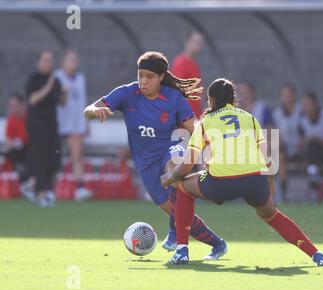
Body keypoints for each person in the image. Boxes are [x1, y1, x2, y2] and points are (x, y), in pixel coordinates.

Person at [161, 78, 323, 267]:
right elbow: (267, 157)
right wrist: (271, 190)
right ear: (233, 99)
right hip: (255, 182)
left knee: (184, 187)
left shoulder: (205, 122)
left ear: (211, 100)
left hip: (220, 183)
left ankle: (181, 251)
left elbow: (187, 165)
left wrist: (170, 176)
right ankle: (317, 255)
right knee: (273, 216)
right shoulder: (249, 117)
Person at [84, 51, 226, 259]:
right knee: (177, 213)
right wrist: (95, 111)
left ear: (161, 77)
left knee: (175, 174)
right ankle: (217, 244)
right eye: (140, 75)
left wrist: (211, 147)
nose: (143, 81)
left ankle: (177, 238)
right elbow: (88, 109)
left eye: (149, 77)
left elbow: (193, 127)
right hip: (145, 163)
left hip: (171, 146)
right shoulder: (127, 93)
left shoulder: (173, 98)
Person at [25, 50, 62, 207]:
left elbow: (61, 102)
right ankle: (40, 193)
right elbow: (32, 100)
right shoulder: (34, 79)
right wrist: (48, 86)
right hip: (37, 125)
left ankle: (31, 185)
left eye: (50, 60)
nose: (48, 63)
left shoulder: (56, 81)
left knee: (54, 160)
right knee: (41, 159)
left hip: (52, 124)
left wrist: (65, 92)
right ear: (38, 62)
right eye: (45, 60)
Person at [55, 49, 92, 202]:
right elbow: (56, 101)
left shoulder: (80, 78)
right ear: (63, 61)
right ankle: (49, 187)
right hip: (59, 122)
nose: (73, 63)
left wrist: (86, 122)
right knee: (53, 157)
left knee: (77, 156)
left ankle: (80, 188)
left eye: (75, 60)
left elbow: (82, 101)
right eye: (70, 59)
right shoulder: (57, 77)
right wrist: (62, 93)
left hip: (76, 124)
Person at [272, 84, 303, 199]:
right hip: (284, 148)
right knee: (277, 156)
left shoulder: (301, 111)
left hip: (301, 148)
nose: (287, 98)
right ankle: (281, 193)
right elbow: (275, 133)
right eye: (284, 95)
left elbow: (305, 131)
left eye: (289, 95)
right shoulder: (277, 113)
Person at [4, 93, 34, 194]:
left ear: (22, 105)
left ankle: (29, 185)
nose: (13, 108)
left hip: (32, 148)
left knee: (31, 155)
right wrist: (13, 144)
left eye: (15, 105)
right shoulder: (11, 120)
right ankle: (20, 185)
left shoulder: (31, 117)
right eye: (11, 106)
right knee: (9, 154)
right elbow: (8, 141)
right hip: (18, 151)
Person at [171, 31, 205, 118]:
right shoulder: (180, 62)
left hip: (196, 114)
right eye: (196, 42)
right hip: (185, 117)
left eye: (200, 42)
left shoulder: (194, 63)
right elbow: (177, 89)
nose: (199, 45)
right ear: (187, 42)